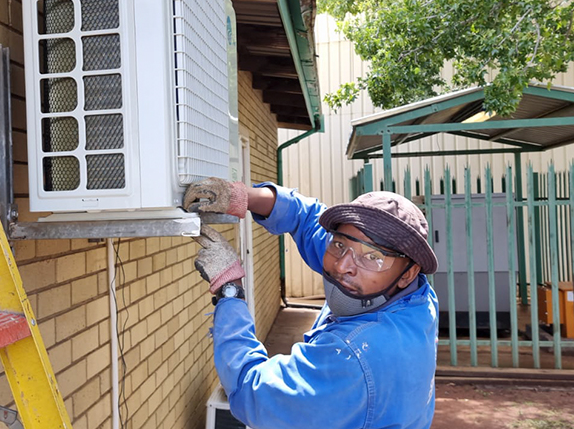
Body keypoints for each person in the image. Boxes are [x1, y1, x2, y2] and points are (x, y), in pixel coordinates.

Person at [185, 177, 439, 429]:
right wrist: (245, 197)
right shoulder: (413, 295)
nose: (342, 266)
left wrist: (229, 289)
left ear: (408, 273)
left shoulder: (352, 357)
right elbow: (307, 217)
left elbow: (253, 391)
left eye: (373, 257)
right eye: (340, 244)